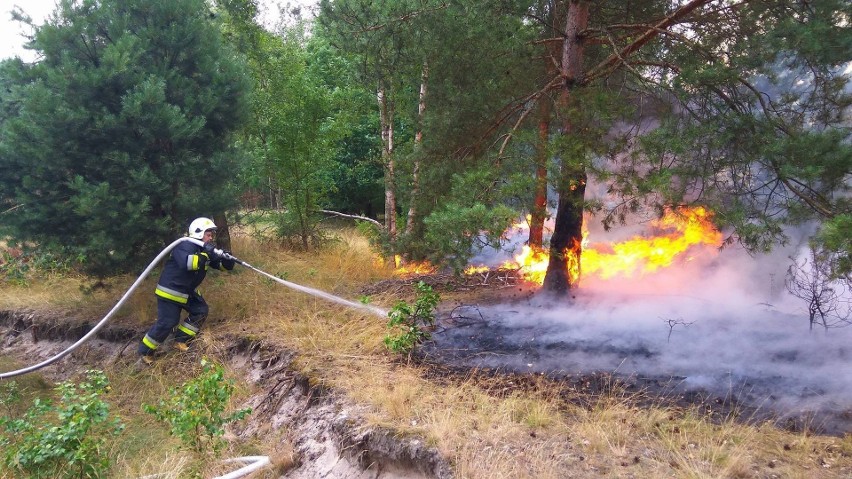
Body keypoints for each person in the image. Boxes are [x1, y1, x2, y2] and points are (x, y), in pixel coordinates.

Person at [138, 217, 235, 365]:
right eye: (208, 235)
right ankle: (145, 352)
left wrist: (227, 260)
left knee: (200, 310)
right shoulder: (184, 245)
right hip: (170, 291)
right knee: (168, 322)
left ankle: (180, 341)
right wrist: (207, 254)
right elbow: (188, 263)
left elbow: (221, 266)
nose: (211, 238)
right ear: (198, 233)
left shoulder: (204, 249)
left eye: (211, 235)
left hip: (187, 291)